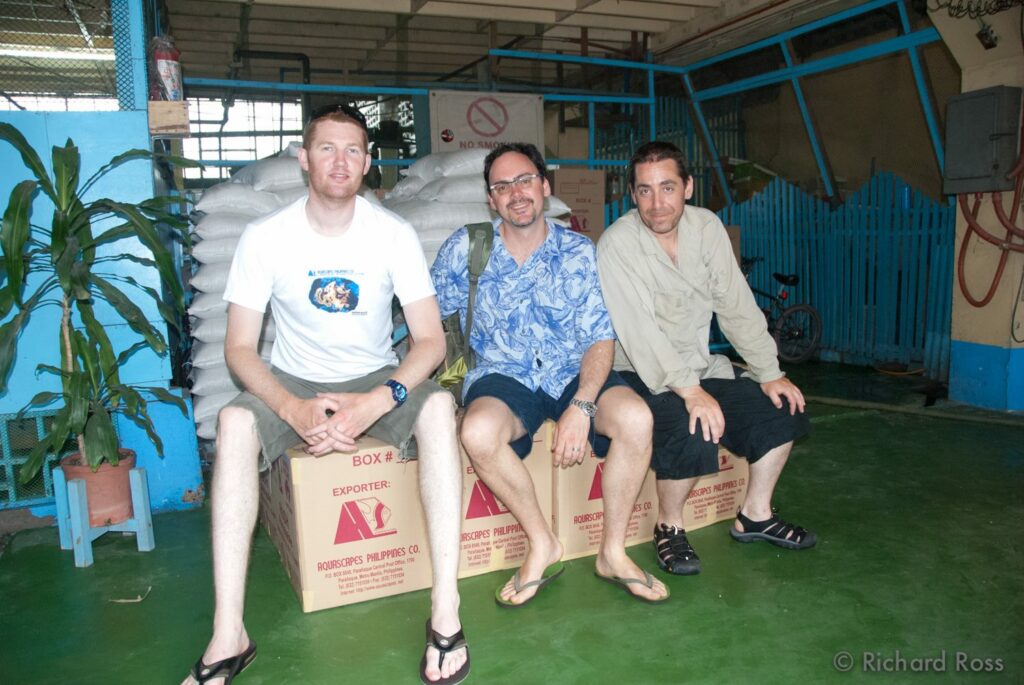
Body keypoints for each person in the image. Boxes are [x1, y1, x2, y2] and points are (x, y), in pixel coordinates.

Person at [184, 105, 468, 685]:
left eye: (353, 150)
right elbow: (239, 348)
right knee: (235, 425)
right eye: (327, 148)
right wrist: (291, 408)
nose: (340, 161)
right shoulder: (266, 237)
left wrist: (376, 401)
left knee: (438, 407)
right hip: (293, 379)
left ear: (368, 162)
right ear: (303, 159)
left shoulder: (394, 234)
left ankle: (446, 611)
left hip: (373, 374)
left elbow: (431, 342)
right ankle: (228, 632)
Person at [431, 143, 669, 605]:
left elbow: (601, 337)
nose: (515, 193)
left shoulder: (579, 250)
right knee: (478, 432)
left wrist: (582, 403)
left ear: (544, 186)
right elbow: (430, 321)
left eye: (524, 181)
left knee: (637, 418)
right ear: (490, 199)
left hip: (569, 370)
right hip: (502, 373)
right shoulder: (467, 246)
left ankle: (612, 551)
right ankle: (543, 541)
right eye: (501, 186)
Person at [596, 140, 815, 578]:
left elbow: (735, 303)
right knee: (691, 424)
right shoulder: (618, 243)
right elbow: (640, 334)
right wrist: (691, 393)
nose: (656, 203)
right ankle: (669, 526)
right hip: (636, 370)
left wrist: (770, 372)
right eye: (644, 191)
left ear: (689, 187)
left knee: (783, 411)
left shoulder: (707, 228)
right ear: (632, 194)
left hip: (696, 366)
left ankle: (755, 513)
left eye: (667, 188)